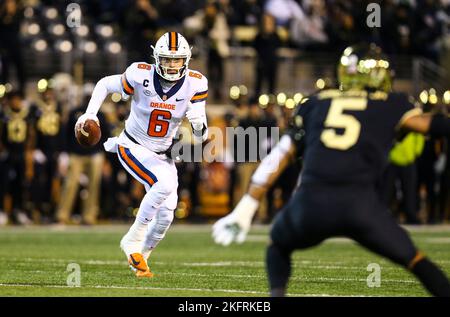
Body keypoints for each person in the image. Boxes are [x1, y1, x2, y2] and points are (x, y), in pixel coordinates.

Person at [212, 44, 450, 297]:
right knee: (415, 260)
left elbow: (279, 155)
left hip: (312, 204)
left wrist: (247, 206)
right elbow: (433, 125)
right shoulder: (391, 104)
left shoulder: (316, 102)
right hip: (361, 206)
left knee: (278, 245)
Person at [75, 32, 208, 278]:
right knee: (164, 185)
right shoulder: (140, 74)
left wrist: (199, 125)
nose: (171, 65)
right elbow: (105, 83)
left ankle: (141, 260)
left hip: (163, 154)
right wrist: (90, 114)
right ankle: (132, 240)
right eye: (166, 59)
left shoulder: (196, 83)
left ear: (186, 60)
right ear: (156, 59)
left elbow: (202, 136)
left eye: (176, 60)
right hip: (133, 145)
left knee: (167, 213)